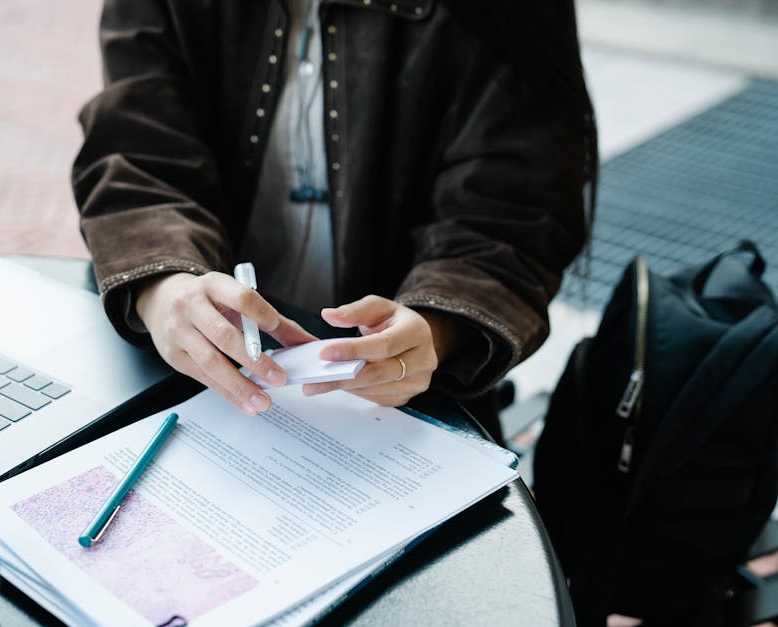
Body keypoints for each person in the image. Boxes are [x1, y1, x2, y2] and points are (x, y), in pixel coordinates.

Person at [72, 0, 597, 441]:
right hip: (192, 376)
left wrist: (436, 329)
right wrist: (164, 286)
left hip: (409, 406)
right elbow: (135, 149)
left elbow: (514, 215)